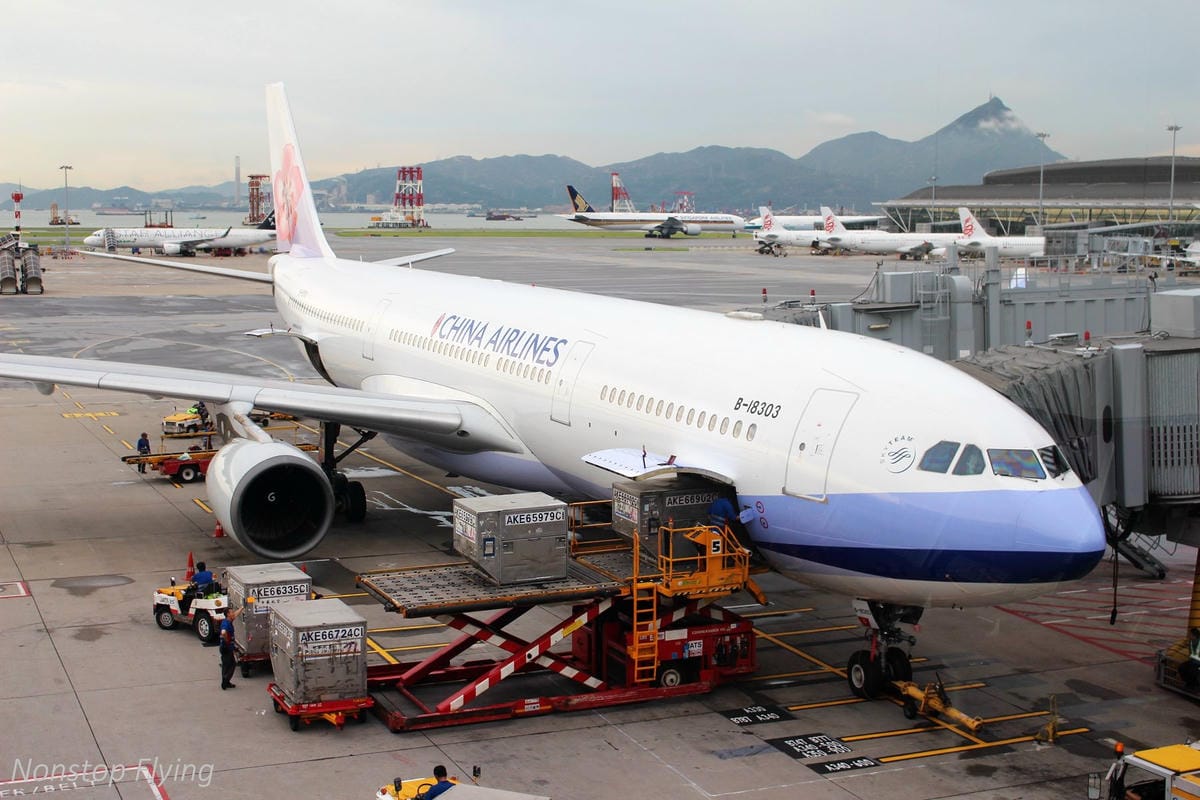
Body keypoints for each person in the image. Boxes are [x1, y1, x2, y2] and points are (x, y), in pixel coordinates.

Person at [219, 606, 243, 690]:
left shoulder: (229, 620)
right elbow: (223, 632)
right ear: (228, 614)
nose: (233, 613)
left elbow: (236, 615)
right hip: (226, 647)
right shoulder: (226, 624)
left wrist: (242, 607)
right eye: (231, 612)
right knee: (228, 664)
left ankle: (226, 681)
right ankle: (224, 682)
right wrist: (227, 640)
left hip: (228, 647)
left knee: (231, 664)